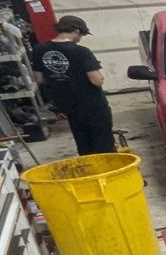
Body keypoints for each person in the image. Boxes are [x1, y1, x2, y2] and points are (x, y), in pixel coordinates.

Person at [32, 15, 115, 156]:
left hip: (68, 106)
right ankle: (108, 172)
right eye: (81, 34)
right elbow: (96, 80)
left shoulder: (39, 50)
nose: (80, 38)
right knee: (103, 144)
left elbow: (39, 79)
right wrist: (100, 76)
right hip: (92, 105)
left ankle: (90, 171)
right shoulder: (81, 51)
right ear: (76, 31)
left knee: (83, 144)